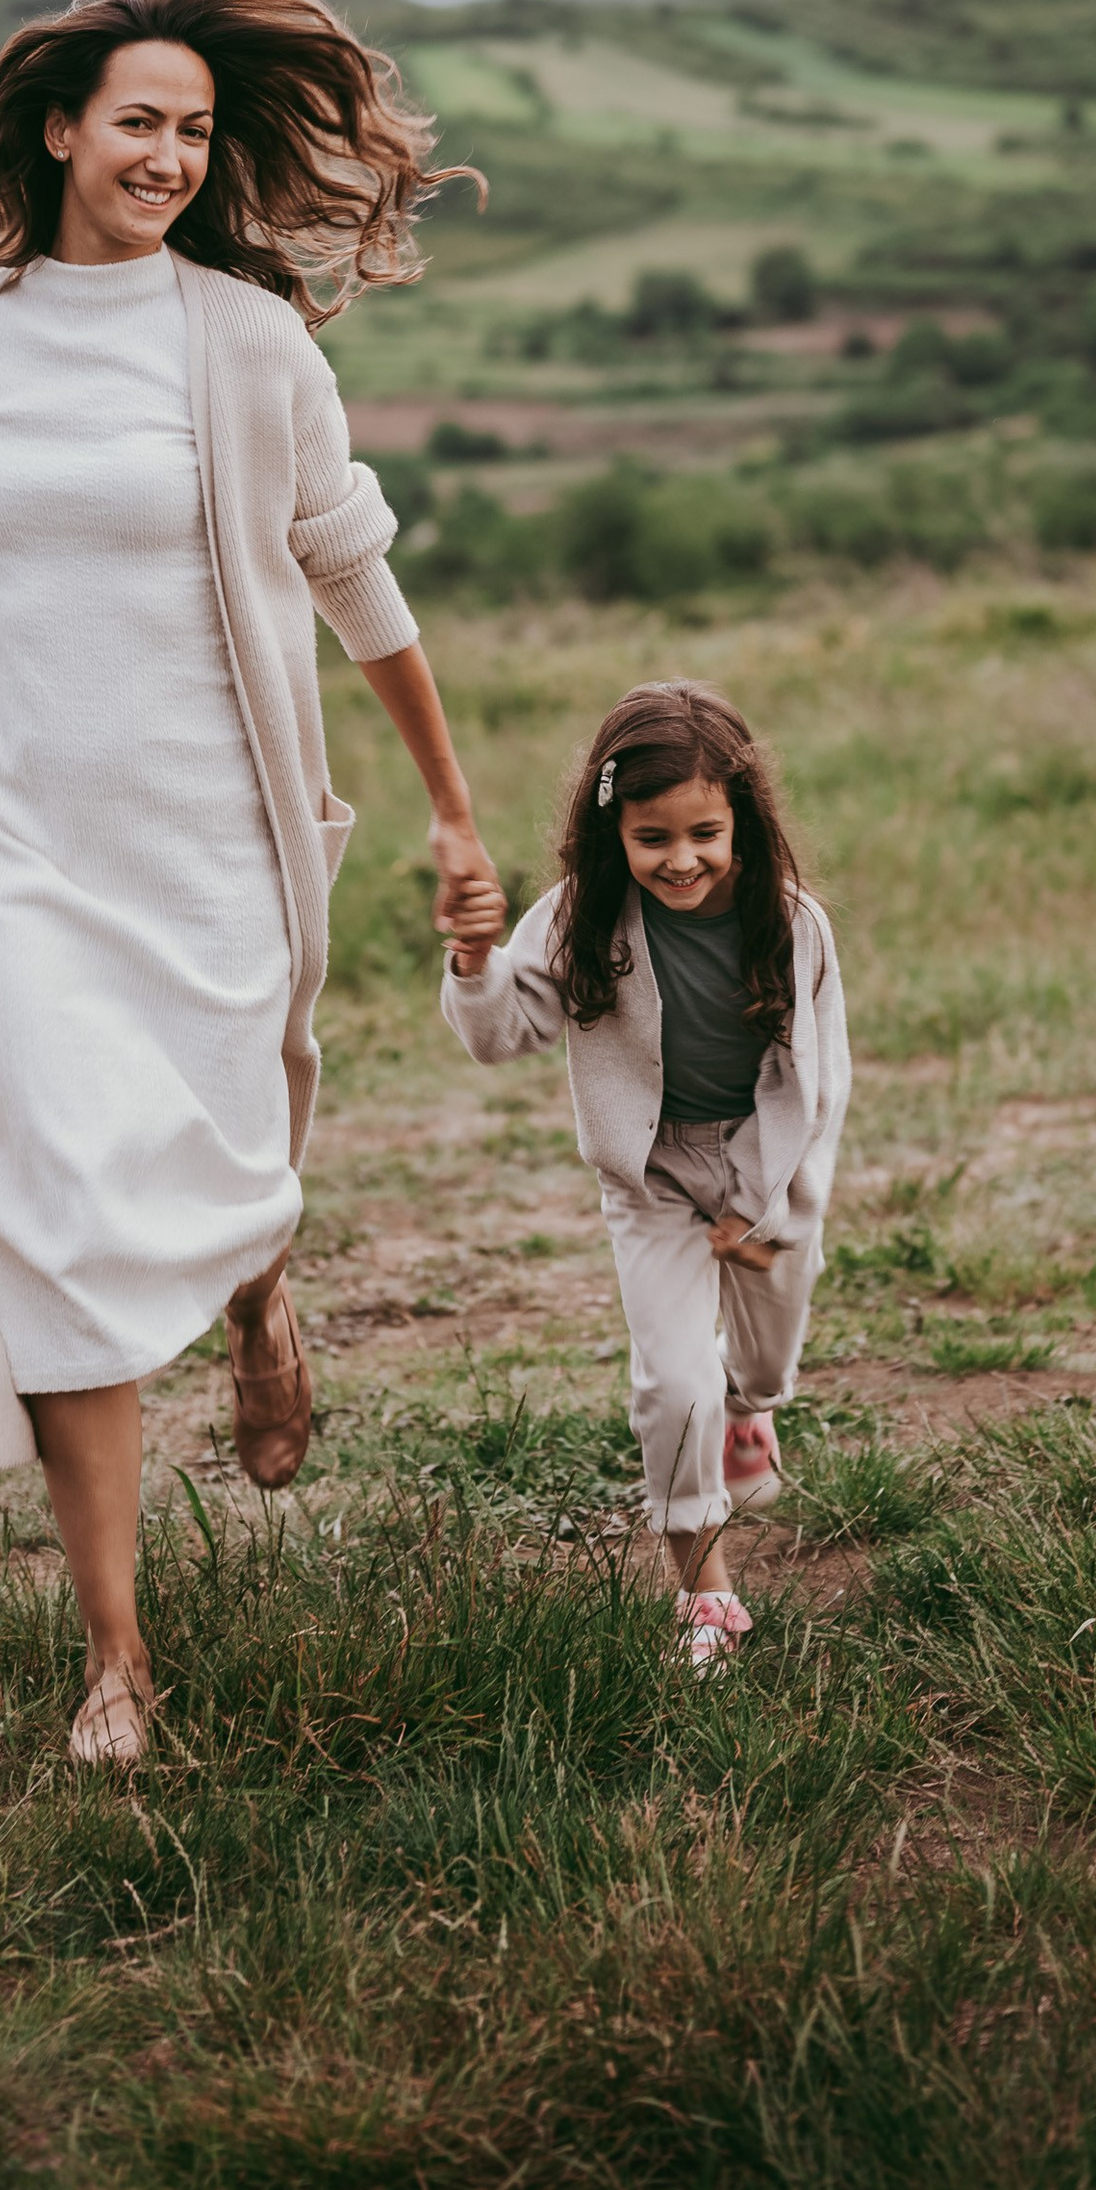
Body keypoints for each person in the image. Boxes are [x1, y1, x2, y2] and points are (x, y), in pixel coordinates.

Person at [0, 0, 500, 1766]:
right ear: (58, 129)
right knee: (54, 1213)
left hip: (206, 840)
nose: (171, 154)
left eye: (194, 128)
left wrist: (459, 808)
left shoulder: (250, 346)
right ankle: (118, 1655)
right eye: (140, 123)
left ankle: (260, 1287)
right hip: (16, 845)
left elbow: (355, 579)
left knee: (228, 1154)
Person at [439, 681, 847, 1670]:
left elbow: (813, 1080)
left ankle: (753, 1412)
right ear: (610, 829)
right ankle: (704, 1595)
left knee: (761, 1350)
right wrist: (475, 961)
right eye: (651, 836)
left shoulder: (791, 925)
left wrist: (752, 1197)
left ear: (740, 822)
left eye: (703, 831)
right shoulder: (576, 916)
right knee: (674, 1381)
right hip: (650, 1175)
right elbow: (502, 1036)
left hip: (768, 1163)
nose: (680, 858)